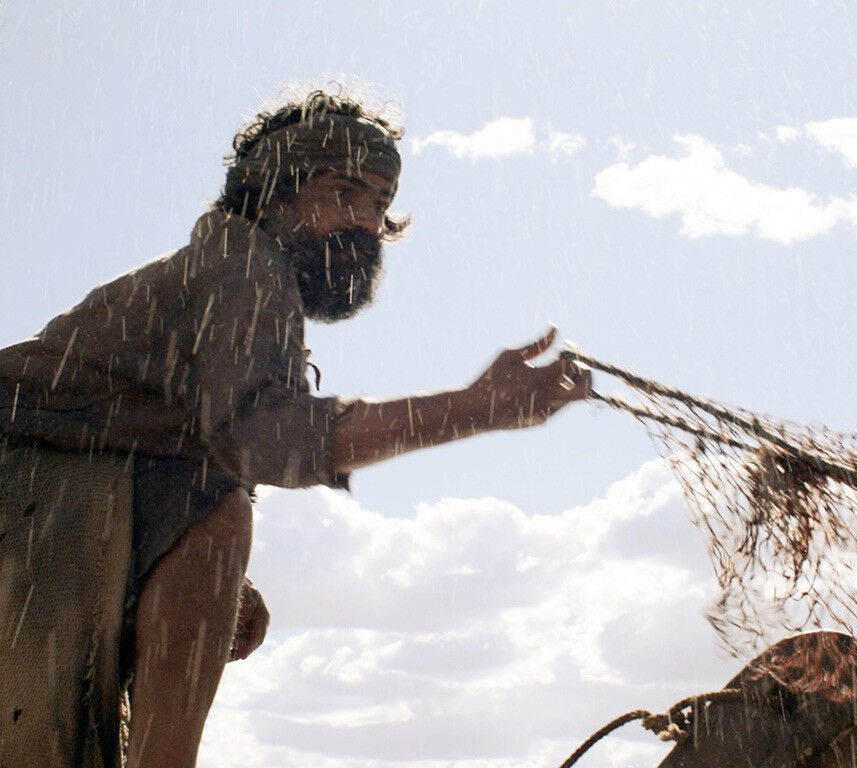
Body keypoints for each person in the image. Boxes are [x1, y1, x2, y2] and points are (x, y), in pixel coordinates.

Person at [0, 89, 590, 767]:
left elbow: (177, 444)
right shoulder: (243, 265)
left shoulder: (227, 269)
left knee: (217, 542)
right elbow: (261, 439)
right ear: (274, 192)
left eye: (379, 204)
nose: (365, 222)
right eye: (344, 192)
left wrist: (212, 585)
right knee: (220, 511)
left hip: (45, 494)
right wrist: (477, 408)